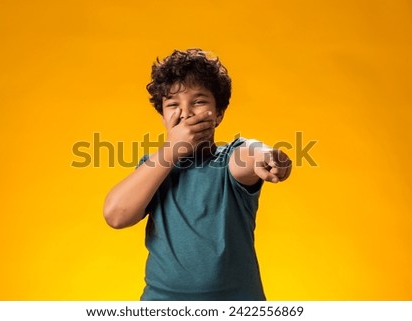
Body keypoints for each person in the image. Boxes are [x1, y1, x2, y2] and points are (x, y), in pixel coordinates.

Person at [103, 48, 292, 300]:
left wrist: (269, 157)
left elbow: (251, 153)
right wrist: (173, 148)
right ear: (162, 116)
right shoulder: (154, 167)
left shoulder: (230, 159)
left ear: (219, 114)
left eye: (199, 101)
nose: (186, 112)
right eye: (173, 104)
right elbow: (116, 216)